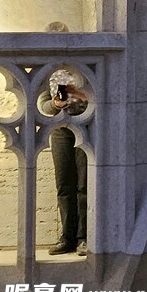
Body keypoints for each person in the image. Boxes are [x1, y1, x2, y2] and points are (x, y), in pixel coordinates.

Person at [39, 67, 89, 257]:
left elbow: (105, 97)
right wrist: (56, 103)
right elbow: (42, 105)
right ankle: (67, 237)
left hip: (85, 126)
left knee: (84, 185)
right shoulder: (51, 70)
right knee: (64, 184)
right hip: (60, 129)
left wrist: (80, 94)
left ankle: (84, 237)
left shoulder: (85, 67)